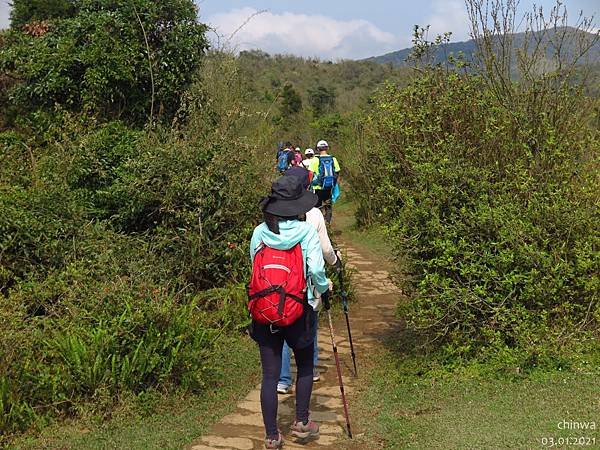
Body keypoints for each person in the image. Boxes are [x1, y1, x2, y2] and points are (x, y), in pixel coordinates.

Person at [249, 176, 329, 449]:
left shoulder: (260, 231)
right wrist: (323, 289)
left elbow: (254, 267)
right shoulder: (306, 231)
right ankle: (302, 422)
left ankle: (272, 436)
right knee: (305, 366)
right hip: (299, 309)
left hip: (265, 311)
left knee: (270, 376)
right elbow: (316, 271)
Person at [277, 202, 342, 394]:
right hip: (306, 289)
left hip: (277, 290)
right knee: (309, 327)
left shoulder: (266, 224)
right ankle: (310, 368)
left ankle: (283, 379)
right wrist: (326, 282)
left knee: (281, 334)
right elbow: (322, 255)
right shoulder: (313, 217)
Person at [309, 140, 341, 224]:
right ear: (327, 148)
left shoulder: (315, 160)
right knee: (328, 206)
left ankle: (318, 225)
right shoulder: (333, 159)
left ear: (318, 149)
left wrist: (309, 184)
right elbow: (337, 172)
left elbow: (311, 173)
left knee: (317, 208)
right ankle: (328, 223)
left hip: (318, 188)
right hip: (329, 187)